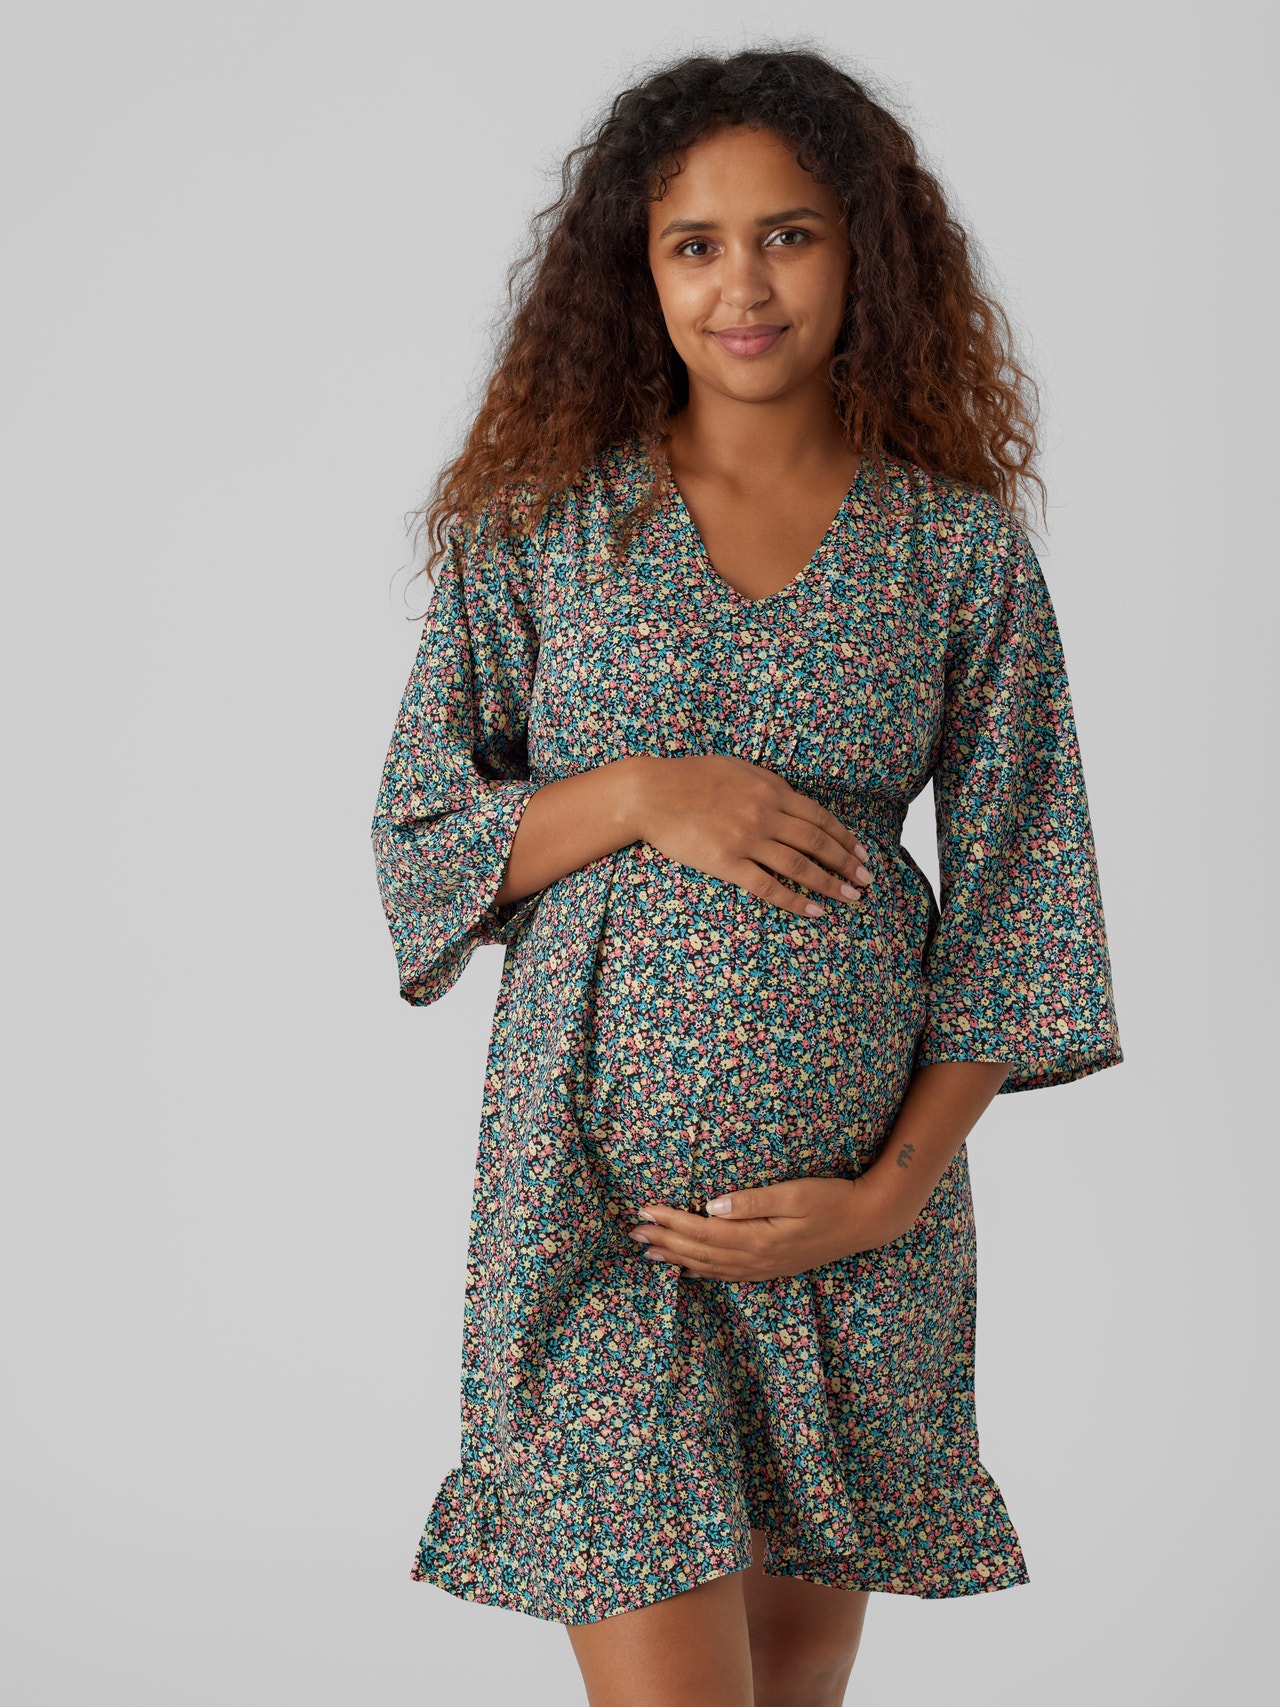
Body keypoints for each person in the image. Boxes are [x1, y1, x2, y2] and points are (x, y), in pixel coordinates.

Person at [370, 43, 1122, 1707]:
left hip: (847, 1238)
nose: (744, 285)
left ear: (864, 252)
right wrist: (647, 792)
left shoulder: (954, 550)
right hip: (596, 1227)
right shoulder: (542, 525)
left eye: (789, 234)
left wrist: (890, 1195)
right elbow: (423, 827)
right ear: (637, 273)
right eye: (694, 244)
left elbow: (1027, 904)